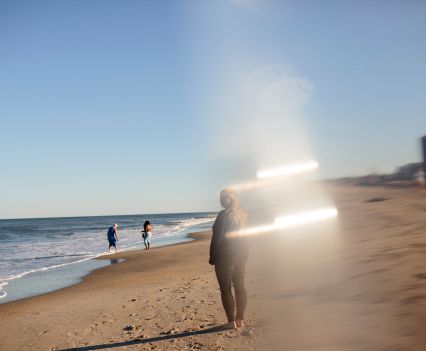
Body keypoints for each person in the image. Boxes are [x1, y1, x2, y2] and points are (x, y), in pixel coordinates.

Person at [209, 189, 249, 330]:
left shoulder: (223, 215)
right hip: (242, 253)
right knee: (239, 286)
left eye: (224, 197)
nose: (220, 200)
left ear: (231, 198)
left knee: (225, 289)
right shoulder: (243, 213)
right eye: (220, 197)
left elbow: (217, 238)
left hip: (226, 255)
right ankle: (240, 320)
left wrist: (212, 256)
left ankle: (231, 321)